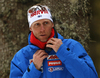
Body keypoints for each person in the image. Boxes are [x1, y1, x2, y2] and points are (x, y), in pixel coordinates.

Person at [10, 4, 98, 78]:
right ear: (30, 28)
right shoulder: (21, 56)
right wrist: (34, 68)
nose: (42, 29)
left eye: (46, 23)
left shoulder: (72, 46)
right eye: (37, 24)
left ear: (52, 24)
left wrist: (64, 52)